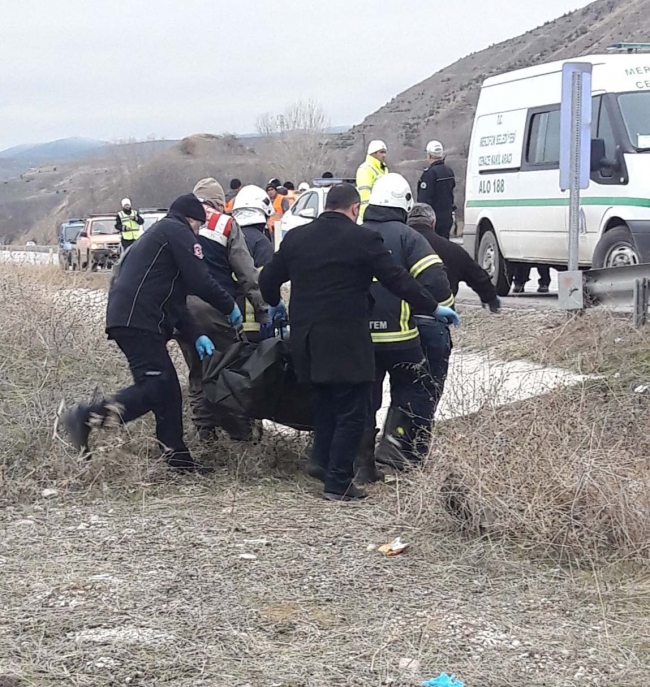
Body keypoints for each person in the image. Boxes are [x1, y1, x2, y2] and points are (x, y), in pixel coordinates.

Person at [259, 183, 450, 501]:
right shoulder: (363, 239)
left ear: (326, 206)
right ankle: (338, 483)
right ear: (354, 209)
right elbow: (396, 279)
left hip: (306, 340)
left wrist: (274, 302)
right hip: (346, 340)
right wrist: (432, 306)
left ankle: (320, 462)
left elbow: (267, 278)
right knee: (354, 409)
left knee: (322, 401)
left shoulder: (297, 238)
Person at [63, 194, 241, 472]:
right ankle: (87, 417)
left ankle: (177, 459)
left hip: (133, 318)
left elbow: (175, 301)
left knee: (168, 390)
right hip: (139, 320)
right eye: (198, 227)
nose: (198, 234)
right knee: (155, 385)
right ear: (193, 220)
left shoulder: (160, 238)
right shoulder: (178, 231)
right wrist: (228, 305)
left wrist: (195, 335)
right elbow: (200, 279)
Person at [363, 174, 458, 478]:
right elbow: (434, 279)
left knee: (364, 397)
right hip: (401, 335)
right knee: (413, 390)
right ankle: (398, 452)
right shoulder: (407, 237)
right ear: (404, 205)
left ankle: (359, 456)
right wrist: (443, 305)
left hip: (359, 338)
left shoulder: (355, 234)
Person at [176, 178, 275, 442]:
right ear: (219, 203)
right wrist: (263, 309)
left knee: (197, 372)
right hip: (215, 311)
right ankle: (241, 434)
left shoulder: (173, 221)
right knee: (229, 370)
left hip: (180, 312)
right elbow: (246, 273)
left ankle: (205, 433)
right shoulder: (225, 223)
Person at [407, 203, 500, 412]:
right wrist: (490, 298)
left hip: (402, 326)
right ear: (433, 223)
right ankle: (419, 431)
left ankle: (396, 432)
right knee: (431, 387)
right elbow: (476, 274)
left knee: (403, 386)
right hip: (436, 326)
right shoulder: (450, 249)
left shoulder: (398, 244)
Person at [231, 185, 280, 341]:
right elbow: (266, 283)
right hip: (256, 324)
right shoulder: (261, 242)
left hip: (231, 320)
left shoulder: (230, 238)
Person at [417, 141, 456, 239]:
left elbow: (424, 199)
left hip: (433, 219)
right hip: (447, 217)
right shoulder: (449, 171)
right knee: (445, 245)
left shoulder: (429, 174)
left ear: (429, 155)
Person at [356, 140, 388, 221]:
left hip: (381, 214)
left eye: (385, 152)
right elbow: (364, 196)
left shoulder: (384, 169)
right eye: (381, 152)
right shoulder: (365, 169)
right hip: (370, 217)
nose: (384, 155)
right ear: (373, 153)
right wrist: (366, 217)